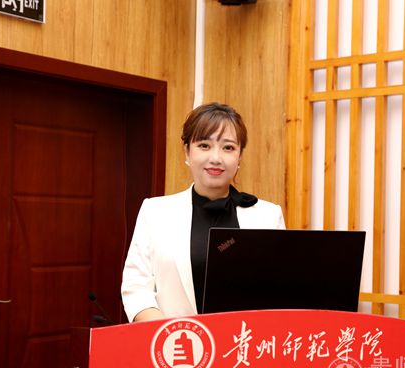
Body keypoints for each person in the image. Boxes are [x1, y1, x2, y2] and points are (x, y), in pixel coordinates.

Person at [121, 102, 285, 322]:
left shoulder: (268, 216)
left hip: (246, 339)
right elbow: (136, 287)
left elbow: (277, 291)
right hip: (178, 340)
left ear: (239, 157)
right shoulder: (155, 212)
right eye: (204, 145)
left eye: (228, 148)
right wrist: (170, 332)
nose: (216, 158)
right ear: (187, 151)